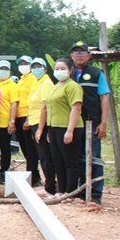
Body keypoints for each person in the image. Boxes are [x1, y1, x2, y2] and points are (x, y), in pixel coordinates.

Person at [71, 41, 110, 205]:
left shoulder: (96, 73)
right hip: (74, 125)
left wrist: (103, 123)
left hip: (92, 123)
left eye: (82, 52)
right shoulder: (67, 73)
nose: (79, 55)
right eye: (76, 52)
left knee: (94, 158)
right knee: (77, 157)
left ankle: (95, 193)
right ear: (71, 55)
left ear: (89, 55)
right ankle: (81, 190)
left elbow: (104, 97)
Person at [47, 58, 84, 195]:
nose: (59, 71)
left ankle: (71, 192)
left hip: (68, 127)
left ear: (70, 70)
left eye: (63, 69)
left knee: (70, 161)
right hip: (54, 127)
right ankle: (61, 191)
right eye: (57, 69)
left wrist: (70, 131)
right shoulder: (55, 86)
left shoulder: (73, 86)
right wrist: (49, 130)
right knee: (58, 161)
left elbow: (76, 108)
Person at [27, 57, 56, 197]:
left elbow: (45, 106)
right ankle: (48, 183)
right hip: (34, 122)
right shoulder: (37, 83)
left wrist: (40, 128)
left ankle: (50, 187)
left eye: (39, 66)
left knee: (46, 156)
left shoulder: (46, 83)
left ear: (45, 69)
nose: (35, 69)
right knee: (42, 155)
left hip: (41, 123)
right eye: (33, 67)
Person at [14, 55, 41, 186]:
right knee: (24, 147)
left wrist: (28, 119)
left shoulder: (32, 79)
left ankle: (33, 176)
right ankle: (33, 174)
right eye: (21, 63)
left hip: (27, 116)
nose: (23, 65)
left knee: (30, 148)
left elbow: (33, 100)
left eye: (26, 63)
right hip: (19, 115)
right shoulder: (21, 80)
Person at [0, 60, 19, 184]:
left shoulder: (12, 85)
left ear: (10, 71)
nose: (3, 71)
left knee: (5, 147)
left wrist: (12, 121)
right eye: (1, 68)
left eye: (6, 69)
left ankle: (4, 171)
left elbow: (14, 104)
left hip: (5, 121)